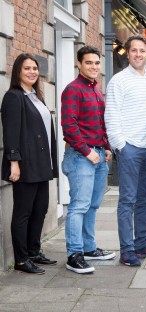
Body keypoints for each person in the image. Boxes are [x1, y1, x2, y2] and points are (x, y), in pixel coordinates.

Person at [105, 35, 146, 267]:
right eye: (134, 50)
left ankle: (142, 243)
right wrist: (121, 146)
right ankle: (127, 250)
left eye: (142, 50)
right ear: (127, 54)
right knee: (127, 200)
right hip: (130, 149)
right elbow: (111, 115)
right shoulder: (117, 81)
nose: (138, 54)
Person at [1, 53, 58, 274]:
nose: (32, 72)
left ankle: (34, 251)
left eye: (34, 68)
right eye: (27, 68)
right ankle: (22, 260)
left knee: (40, 209)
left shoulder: (36, 96)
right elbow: (11, 133)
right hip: (25, 164)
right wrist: (14, 162)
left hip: (42, 164)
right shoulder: (14, 97)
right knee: (23, 212)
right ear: (18, 71)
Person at [61, 46, 116, 274]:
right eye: (89, 63)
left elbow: (99, 123)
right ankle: (74, 254)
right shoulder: (73, 90)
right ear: (79, 64)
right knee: (79, 206)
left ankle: (88, 248)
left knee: (92, 205)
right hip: (81, 156)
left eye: (96, 63)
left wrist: (105, 146)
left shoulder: (96, 91)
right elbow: (69, 126)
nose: (93, 67)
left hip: (98, 154)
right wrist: (87, 151)